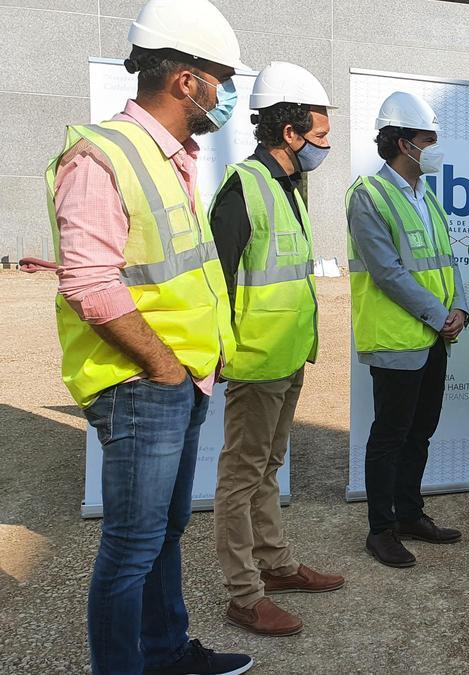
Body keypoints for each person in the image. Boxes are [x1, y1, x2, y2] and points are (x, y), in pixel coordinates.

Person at [47, 0, 254, 672]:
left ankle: (165, 652)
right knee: (132, 546)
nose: (225, 94)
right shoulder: (101, 155)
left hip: (179, 381)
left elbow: (180, 275)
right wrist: (166, 367)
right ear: (186, 81)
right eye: (220, 78)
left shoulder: (172, 157)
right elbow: (88, 285)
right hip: (140, 383)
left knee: (164, 532)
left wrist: (202, 359)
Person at [209, 61, 344, 637]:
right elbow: (216, 279)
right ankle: (244, 593)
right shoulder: (245, 186)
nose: (324, 146)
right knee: (242, 475)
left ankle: (278, 564)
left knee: (268, 466)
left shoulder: (289, 185)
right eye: (318, 135)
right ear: (289, 133)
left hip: (288, 357)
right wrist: (216, 354)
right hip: (257, 361)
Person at [346, 90, 469, 567]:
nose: (434, 148)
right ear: (402, 142)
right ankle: (381, 529)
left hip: (435, 337)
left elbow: (448, 260)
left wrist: (459, 308)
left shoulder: (426, 197)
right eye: (427, 139)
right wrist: (441, 317)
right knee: (390, 436)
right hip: (398, 341)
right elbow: (388, 272)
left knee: (421, 432)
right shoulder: (369, 196)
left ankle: (410, 513)